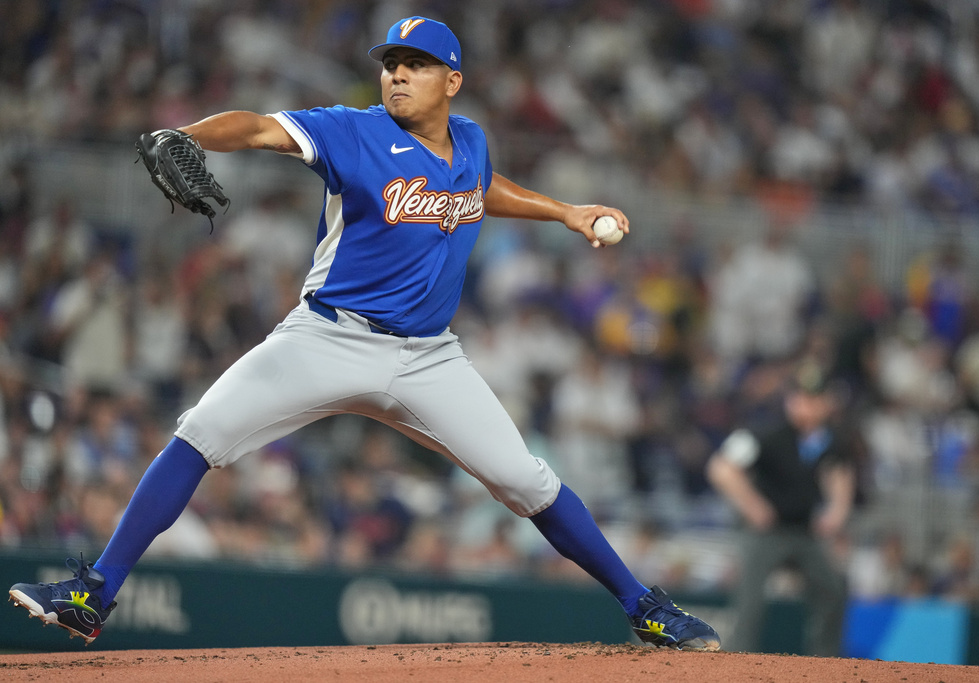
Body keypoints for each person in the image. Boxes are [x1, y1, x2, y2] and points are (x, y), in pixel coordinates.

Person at [8, 17, 720, 651]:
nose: (398, 74)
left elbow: (479, 190)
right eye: (391, 63)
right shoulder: (354, 130)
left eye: (415, 63)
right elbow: (257, 127)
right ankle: (92, 593)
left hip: (428, 358)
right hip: (327, 338)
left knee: (525, 479)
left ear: (453, 81)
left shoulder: (469, 141)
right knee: (203, 430)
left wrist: (563, 211)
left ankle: (645, 607)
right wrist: (189, 136)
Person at [706, 360, 854, 655]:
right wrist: (753, 505)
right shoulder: (766, 433)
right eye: (800, 398)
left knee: (833, 589)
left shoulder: (832, 439)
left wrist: (837, 512)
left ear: (827, 403)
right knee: (751, 600)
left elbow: (840, 473)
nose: (806, 406)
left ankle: (826, 665)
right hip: (766, 532)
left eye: (814, 399)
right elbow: (721, 468)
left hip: (804, 532)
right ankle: (736, 662)